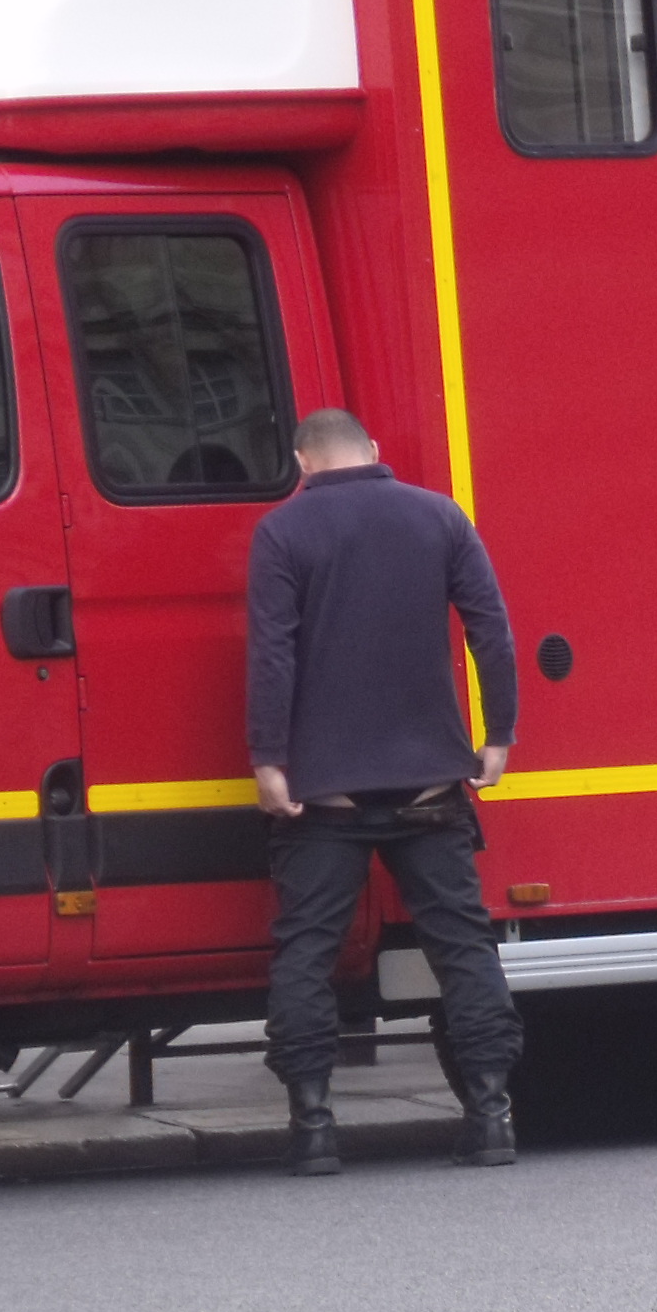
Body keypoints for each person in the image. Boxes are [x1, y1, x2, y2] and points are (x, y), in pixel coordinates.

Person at [247, 408, 524, 1173]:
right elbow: (490, 630)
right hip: (430, 784)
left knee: (306, 952)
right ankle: (492, 1114)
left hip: (325, 793)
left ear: (303, 462)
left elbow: (271, 655)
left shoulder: (282, 532)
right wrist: (498, 735)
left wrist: (269, 760)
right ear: (373, 450)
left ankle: (313, 1128)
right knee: (463, 948)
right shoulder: (439, 516)